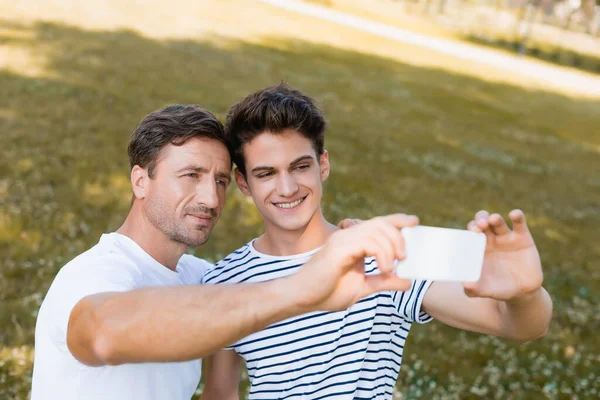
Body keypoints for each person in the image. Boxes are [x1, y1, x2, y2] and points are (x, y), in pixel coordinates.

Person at [30, 104, 421, 400]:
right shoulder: (94, 274)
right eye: (191, 176)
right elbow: (102, 331)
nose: (211, 197)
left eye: (220, 181)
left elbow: (254, 280)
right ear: (140, 180)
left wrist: (338, 244)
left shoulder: (200, 277)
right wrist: (303, 286)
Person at [200, 84, 553, 400]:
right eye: (266, 174)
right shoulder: (225, 281)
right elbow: (219, 392)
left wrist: (524, 295)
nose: (288, 188)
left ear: (323, 165)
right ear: (243, 183)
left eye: (300, 167)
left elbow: (521, 326)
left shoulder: (382, 254)